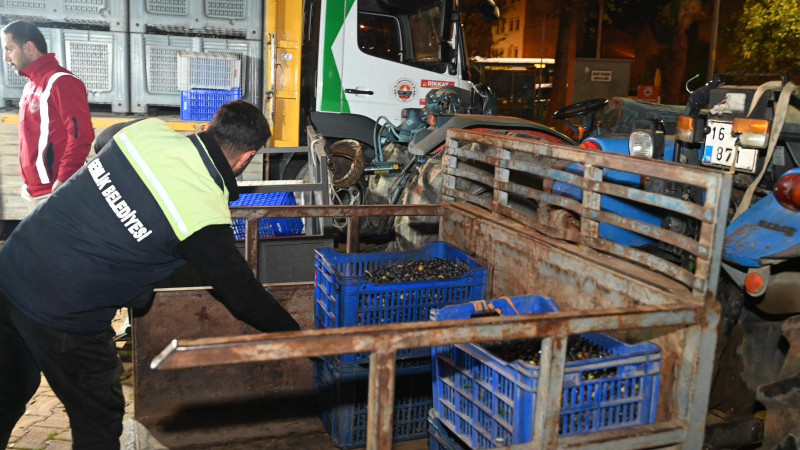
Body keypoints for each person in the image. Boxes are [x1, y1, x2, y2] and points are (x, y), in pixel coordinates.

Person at [0, 101, 301, 449]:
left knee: (7, 394)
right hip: (64, 313)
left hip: (12, 269)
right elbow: (244, 296)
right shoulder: (202, 211)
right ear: (246, 158)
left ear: (207, 128)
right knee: (98, 415)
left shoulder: (147, 132)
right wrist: (303, 338)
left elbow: (106, 140)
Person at [2, 20, 94, 209]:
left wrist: (63, 179)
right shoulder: (31, 85)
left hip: (56, 191)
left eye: (9, 49)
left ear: (28, 48)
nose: (6, 58)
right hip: (35, 192)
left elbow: (81, 135)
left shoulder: (62, 82)